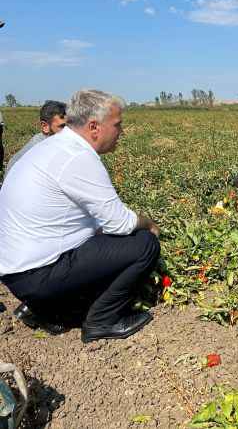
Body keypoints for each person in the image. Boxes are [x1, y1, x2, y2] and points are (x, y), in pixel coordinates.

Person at [0, 89, 161, 343]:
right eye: (118, 125)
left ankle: (42, 309)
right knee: (143, 244)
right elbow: (121, 223)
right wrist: (149, 223)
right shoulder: (78, 157)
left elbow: (91, 221)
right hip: (37, 275)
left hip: (17, 272)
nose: (122, 131)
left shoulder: (53, 146)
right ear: (94, 126)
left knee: (103, 242)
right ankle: (102, 321)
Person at [5, 100, 67, 175]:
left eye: (70, 126)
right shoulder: (39, 147)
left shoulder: (57, 142)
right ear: (45, 126)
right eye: (62, 126)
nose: (68, 131)